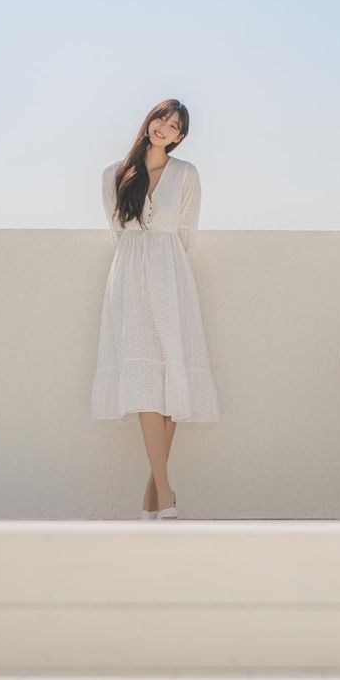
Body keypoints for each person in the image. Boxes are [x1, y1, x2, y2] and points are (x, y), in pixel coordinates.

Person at [91, 99, 220, 520]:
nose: (165, 127)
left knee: (172, 378)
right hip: (129, 280)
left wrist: (163, 269)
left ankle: (152, 500)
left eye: (175, 126)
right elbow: (118, 231)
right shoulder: (114, 174)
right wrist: (140, 266)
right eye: (162, 119)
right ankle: (165, 495)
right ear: (149, 121)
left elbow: (186, 231)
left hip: (171, 278)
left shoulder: (186, 175)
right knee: (147, 380)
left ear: (181, 137)